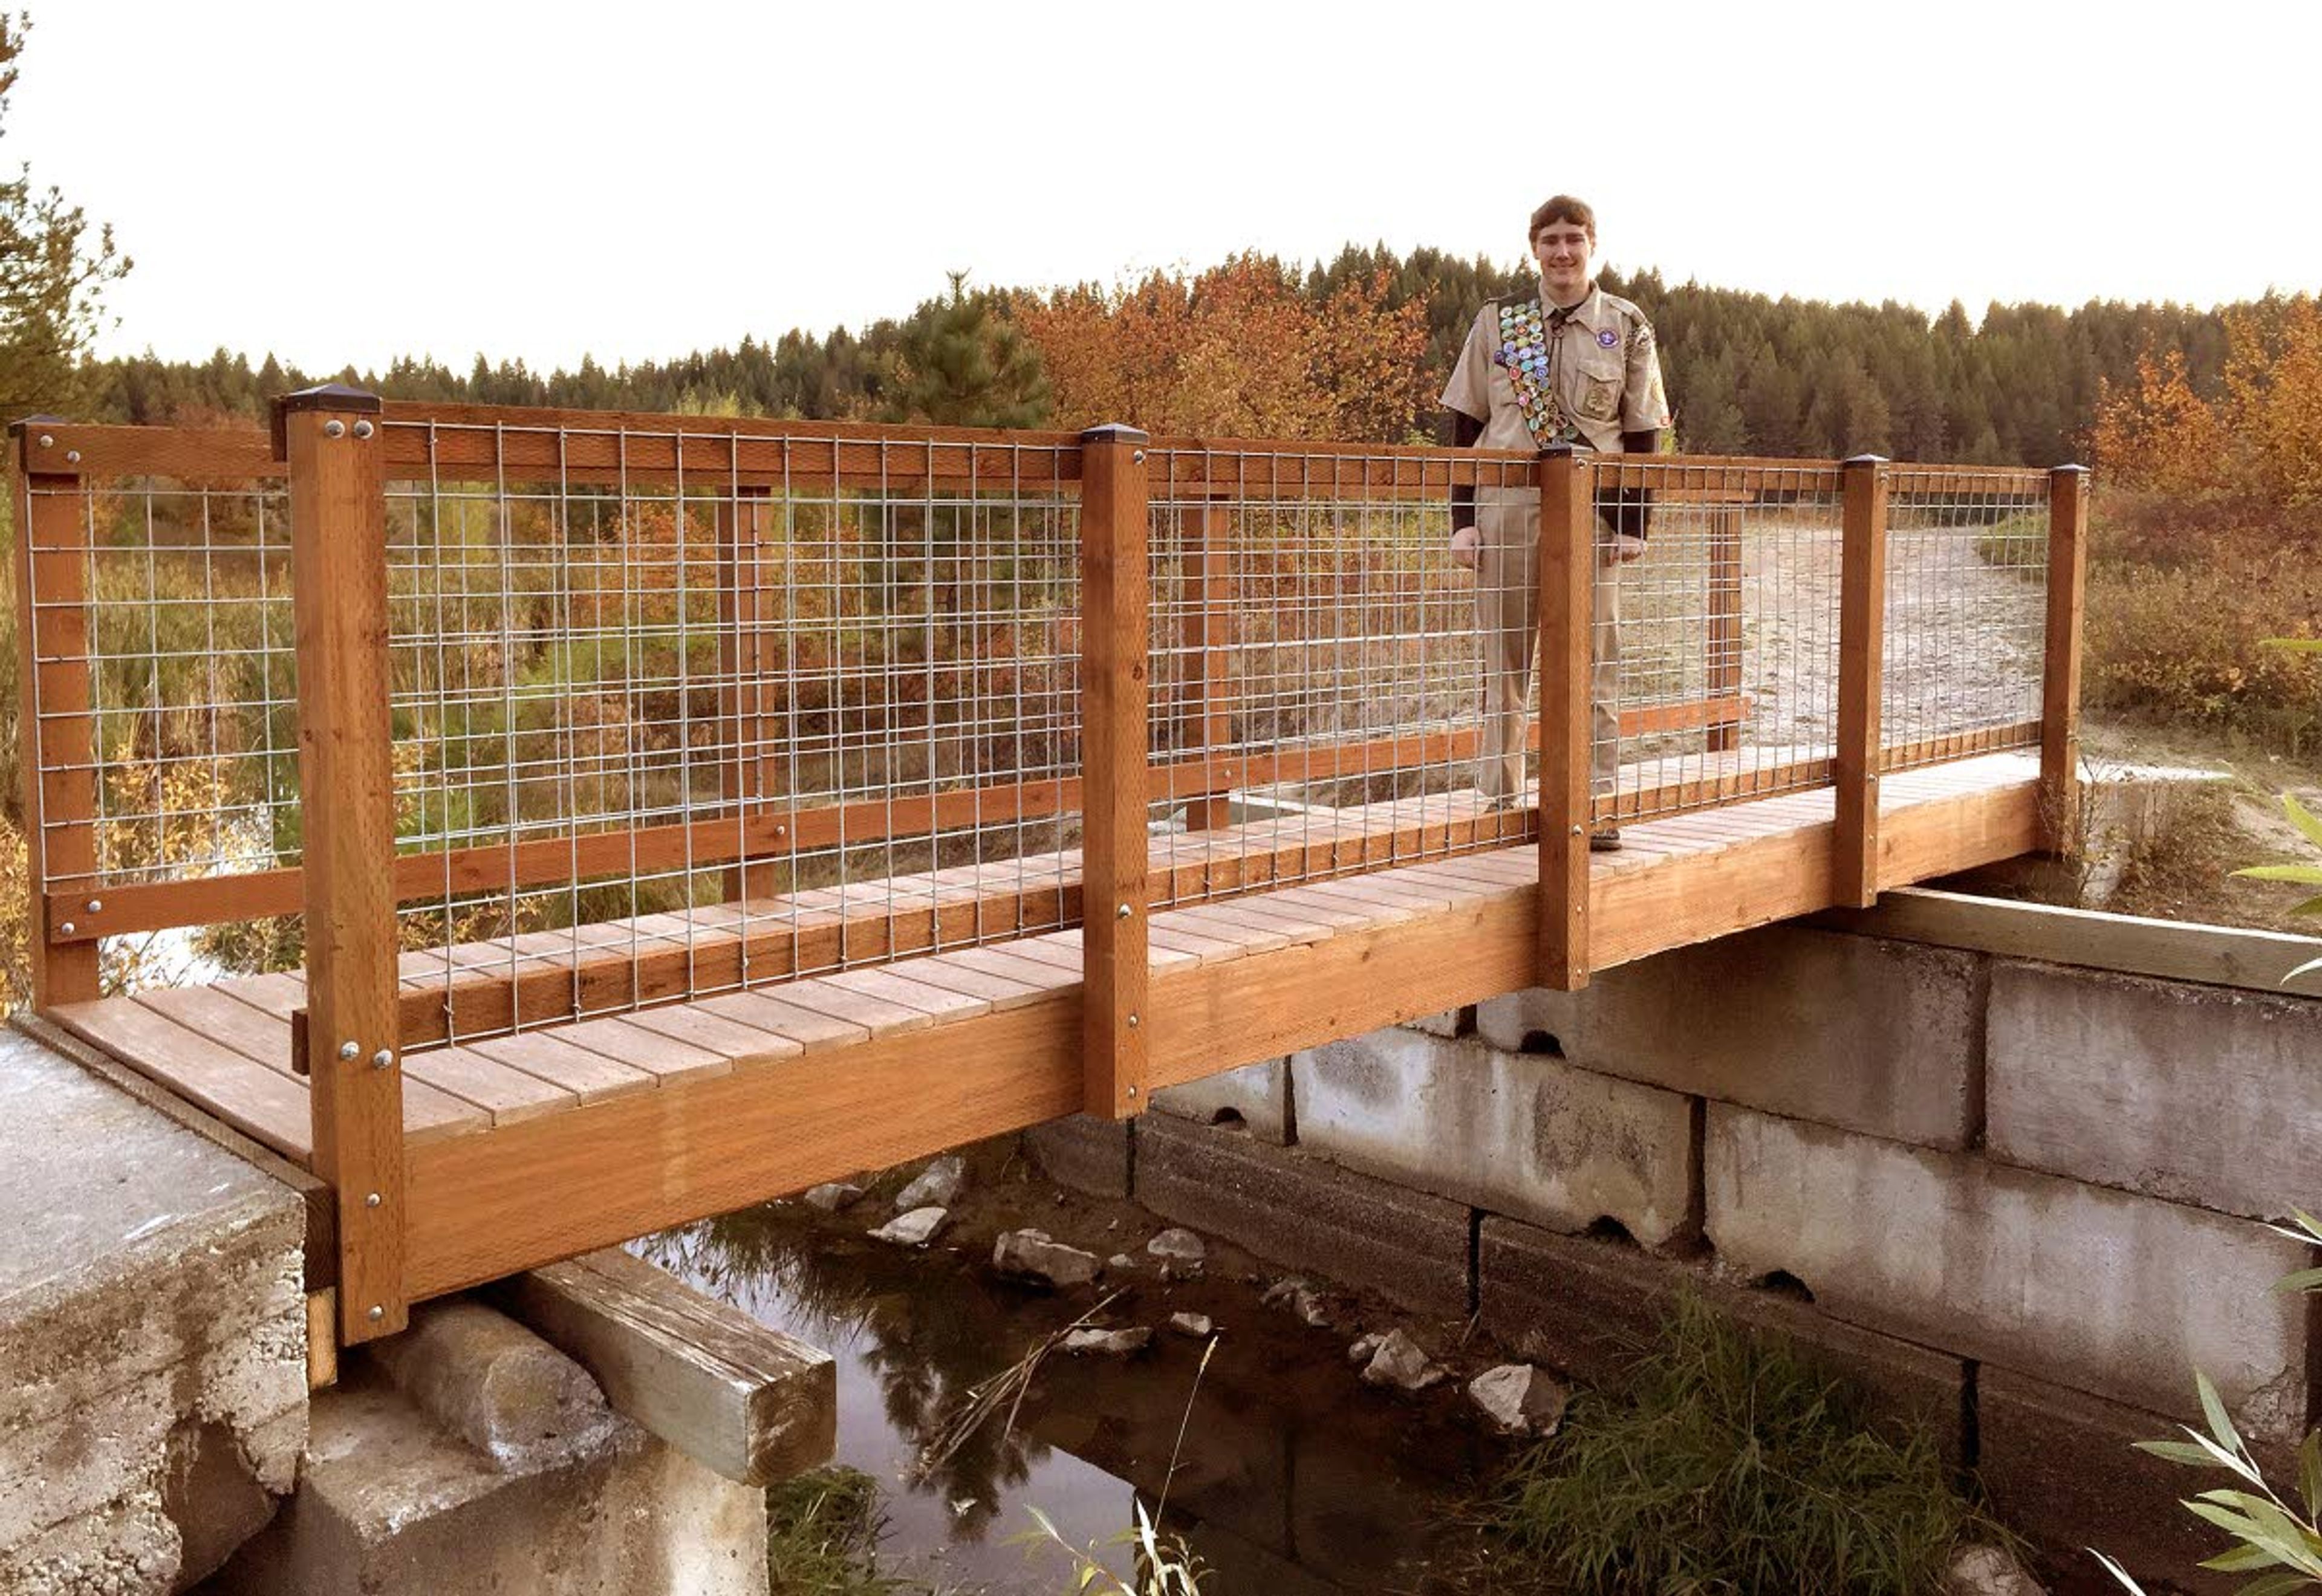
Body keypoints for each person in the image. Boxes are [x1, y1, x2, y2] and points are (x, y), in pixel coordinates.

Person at [1441, 194, 1670, 849]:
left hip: (1592, 514)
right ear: (1534, 248)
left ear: (1592, 245)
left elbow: (1643, 431)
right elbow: (1466, 425)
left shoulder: (1625, 325)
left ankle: (1593, 805)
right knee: (1503, 661)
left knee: (1596, 662)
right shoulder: (1500, 321)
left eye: (1574, 238)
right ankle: (1501, 804)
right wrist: (1462, 520)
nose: (1562, 252)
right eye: (1550, 241)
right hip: (1504, 510)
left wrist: (1635, 525)